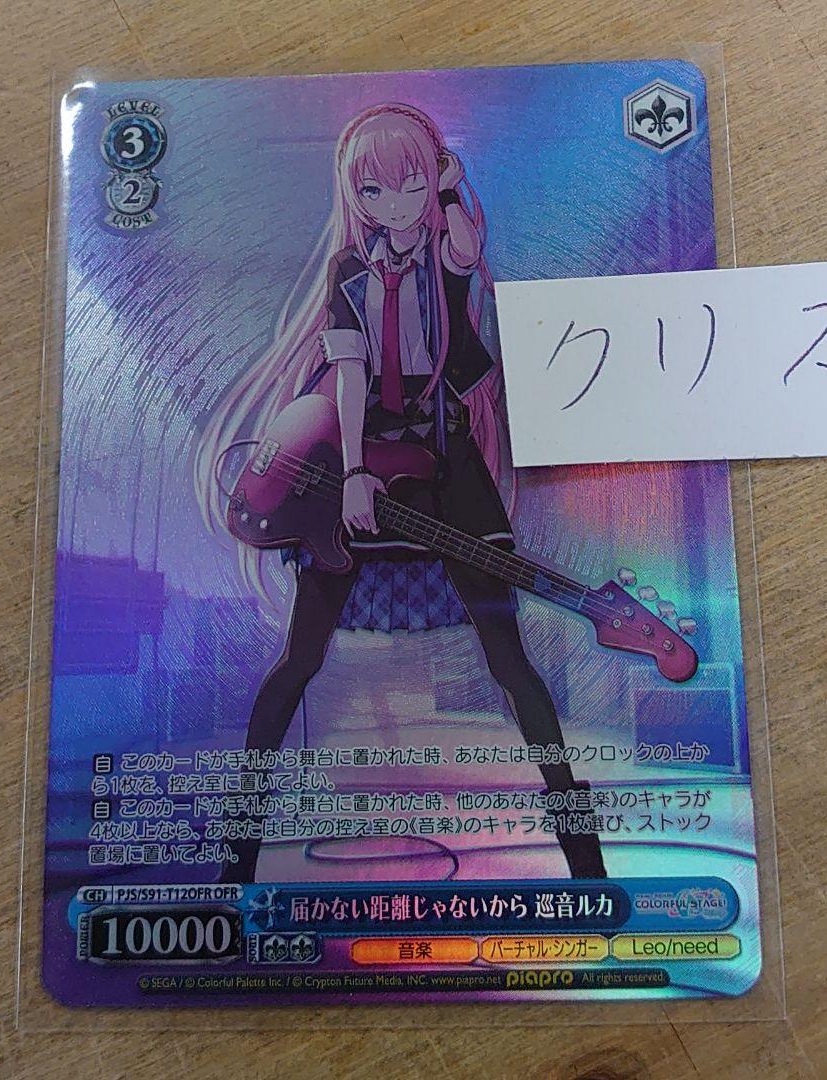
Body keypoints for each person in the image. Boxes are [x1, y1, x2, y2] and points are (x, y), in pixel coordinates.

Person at [195, 103, 605, 882]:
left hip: (445, 450)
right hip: (363, 450)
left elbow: (467, 252)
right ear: (355, 195)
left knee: (510, 660)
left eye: (411, 182)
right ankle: (236, 858)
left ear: (433, 177)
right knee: (298, 659)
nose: (395, 202)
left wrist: (449, 188)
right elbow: (348, 375)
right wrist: (353, 473)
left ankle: (586, 861)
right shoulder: (350, 273)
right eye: (375, 190)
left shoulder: (445, 250)